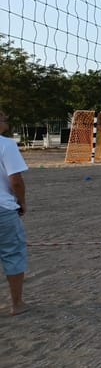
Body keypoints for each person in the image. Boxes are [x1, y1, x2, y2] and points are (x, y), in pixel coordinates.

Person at [0, 110, 29, 316]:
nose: (6, 121)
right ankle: (16, 304)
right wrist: (22, 202)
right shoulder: (6, 144)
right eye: (4, 118)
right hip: (3, 208)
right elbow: (16, 180)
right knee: (13, 254)